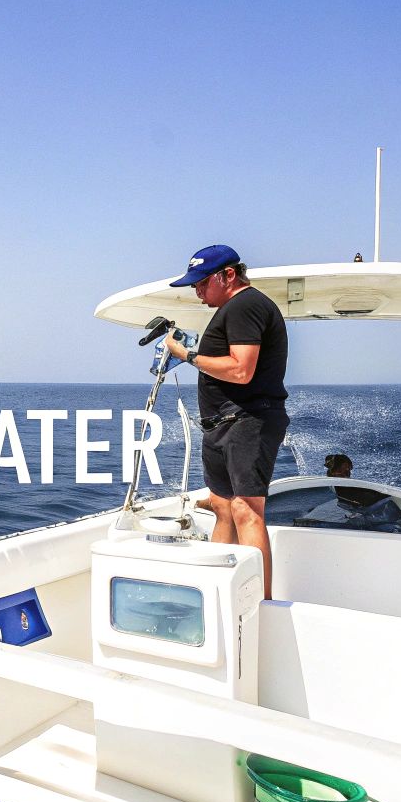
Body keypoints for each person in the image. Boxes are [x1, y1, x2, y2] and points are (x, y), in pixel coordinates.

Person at [163, 245, 289, 598]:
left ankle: (261, 604)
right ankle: (216, 591)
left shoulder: (245, 305)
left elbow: (241, 369)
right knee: (221, 505)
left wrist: (187, 355)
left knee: (246, 509)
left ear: (228, 275)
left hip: (246, 421)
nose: (197, 291)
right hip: (222, 425)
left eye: (202, 283)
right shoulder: (233, 309)